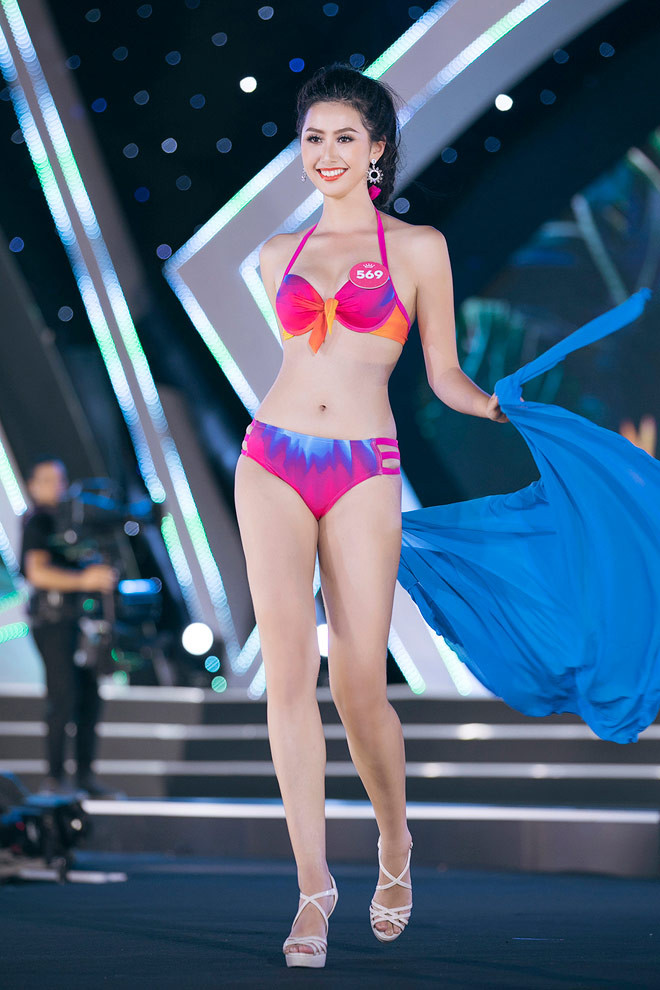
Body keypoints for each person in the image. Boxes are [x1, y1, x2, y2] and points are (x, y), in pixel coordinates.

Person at [234, 63, 509, 969]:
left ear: (378, 149)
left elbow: (444, 376)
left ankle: (395, 841)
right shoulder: (274, 254)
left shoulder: (418, 248)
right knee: (287, 678)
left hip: (364, 469)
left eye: (344, 138)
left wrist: (503, 411)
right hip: (271, 459)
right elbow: (301, 365)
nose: (327, 154)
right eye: (313, 138)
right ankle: (312, 889)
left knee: (359, 685)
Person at [20, 456, 118, 797]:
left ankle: (85, 776)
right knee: (62, 696)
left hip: (79, 622)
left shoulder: (74, 523)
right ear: (32, 486)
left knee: (89, 697)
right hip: (52, 622)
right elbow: (36, 572)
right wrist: (83, 579)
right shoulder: (39, 522)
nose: (57, 487)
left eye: (60, 479)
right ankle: (54, 778)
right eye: (48, 480)